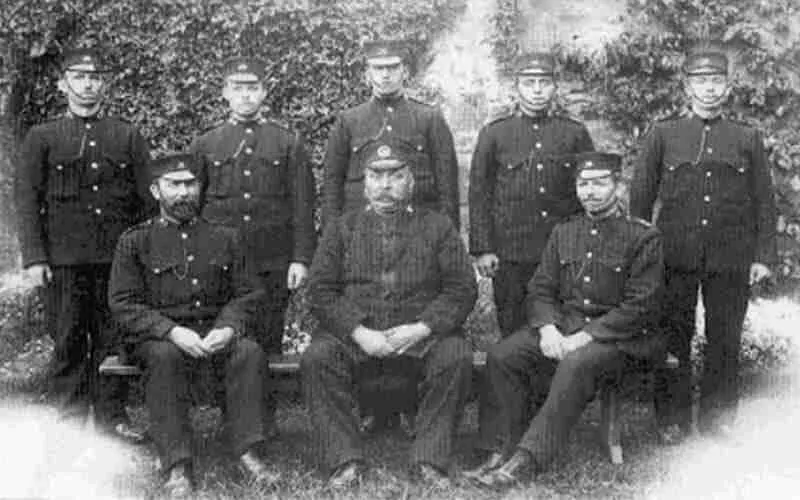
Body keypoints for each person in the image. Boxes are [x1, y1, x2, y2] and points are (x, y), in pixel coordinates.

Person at [468, 152, 664, 488]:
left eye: (600, 183)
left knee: (576, 362)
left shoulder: (643, 237)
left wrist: (584, 336)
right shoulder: (565, 232)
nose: (590, 191)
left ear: (619, 187)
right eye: (583, 184)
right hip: (566, 329)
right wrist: (547, 329)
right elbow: (541, 288)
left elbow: (640, 306)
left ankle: (528, 459)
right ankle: (505, 446)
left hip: (621, 340)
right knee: (503, 355)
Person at [302, 141, 477, 488]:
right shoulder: (341, 227)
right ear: (364, 183)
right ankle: (344, 460)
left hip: (419, 338)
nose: (385, 185)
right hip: (357, 339)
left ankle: (429, 459)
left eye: (395, 176)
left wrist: (422, 328)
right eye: (376, 176)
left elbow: (462, 288)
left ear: (411, 181)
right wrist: (358, 331)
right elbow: (320, 290)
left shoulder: (438, 226)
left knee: (455, 355)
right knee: (317, 358)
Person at [629, 43, 776, 444]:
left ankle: (719, 417)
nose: (709, 89)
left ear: (728, 87)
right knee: (673, 334)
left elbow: (765, 201)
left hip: (730, 257)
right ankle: (671, 418)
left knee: (724, 335)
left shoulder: (747, 138)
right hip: (674, 256)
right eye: (700, 81)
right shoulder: (663, 135)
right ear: (686, 87)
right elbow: (640, 201)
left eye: (716, 81)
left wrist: (763, 256)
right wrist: (643, 257)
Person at [108, 154, 275, 498]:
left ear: (200, 188)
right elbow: (123, 303)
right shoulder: (135, 241)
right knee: (164, 357)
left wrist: (228, 328)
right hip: (159, 338)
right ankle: (176, 464)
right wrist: (171, 331)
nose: (183, 193)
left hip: (214, 333)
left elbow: (250, 293)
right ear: (156, 191)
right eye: (174, 185)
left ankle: (247, 451)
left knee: (248, 351)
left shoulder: (226, 237)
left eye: (190, 184)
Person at [15, 47, 150, 439]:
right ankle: (69, 421)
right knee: (68, 337)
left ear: (103, 84)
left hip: (116, 261)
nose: (87, 84)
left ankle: (112, 417)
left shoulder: (126, 135)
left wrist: (139, 257)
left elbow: (144, 201)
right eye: (78, 77)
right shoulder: (42, 137)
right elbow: (27, 201)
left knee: (113, 338)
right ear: (64, 84)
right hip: (63, 260)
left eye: (93, 78)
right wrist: (35, 258)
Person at [189, 56, 316, 431]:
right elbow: (192, 204)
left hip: (272, 260)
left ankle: (266, 419)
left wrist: (301, 258)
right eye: (238, 89)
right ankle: (233, 418)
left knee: (267, 337)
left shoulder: (287, 141)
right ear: (225, 93)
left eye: (252, 89)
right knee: (227, 337)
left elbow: (303, 205)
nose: (245, 96)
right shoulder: (206, 143)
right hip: (221, 263)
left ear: (264, 92)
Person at [469, 51, 594, 337]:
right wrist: (483, 248)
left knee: (561, 324)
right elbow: (479, 193)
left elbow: (587, 189)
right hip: (511, 251)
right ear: (516, 87)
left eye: (544, 82)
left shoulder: (574, 133)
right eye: (529, 82)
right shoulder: (495, 134)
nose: (537, 90)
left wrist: (584, 242)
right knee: (513, 323)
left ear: (555, 87)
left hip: (562, 249)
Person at [321, 39, 460, 230]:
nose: (385, 75)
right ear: (367, 74)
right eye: (378, 69)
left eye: (393, 67)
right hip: (362, 232)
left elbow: (447, 187)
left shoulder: (429, 119)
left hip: (417, 231)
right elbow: (332, 187)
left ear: (405, 71)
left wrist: (448, 240)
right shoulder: (349, 121)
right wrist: (332, 241)